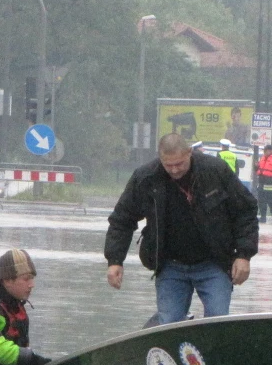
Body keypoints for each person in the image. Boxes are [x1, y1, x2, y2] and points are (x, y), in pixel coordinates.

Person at [105, 132, 259, 326]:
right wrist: (115, 260)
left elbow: (245, 210)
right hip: (170, 265)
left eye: (179, 164)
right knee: (169, 323)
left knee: (217, 323)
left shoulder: (215, 171)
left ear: (189, 153)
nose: (175, 170)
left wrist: (244, 255)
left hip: (214, 263)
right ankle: (159, 329)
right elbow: (122, 220)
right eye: (168, 165)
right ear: (160, 158)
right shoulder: (145, 178)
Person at [255, 144, 272, 223]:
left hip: (270, 183)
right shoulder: (262, 158)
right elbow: (258, 169)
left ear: (270, 151)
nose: (265, 153)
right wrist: (256, 166)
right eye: (264, 151)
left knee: (271, 201)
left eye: (266, 151)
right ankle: (263, 217)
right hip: (261, 182)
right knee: (261, 201)